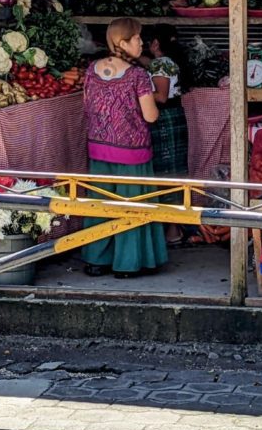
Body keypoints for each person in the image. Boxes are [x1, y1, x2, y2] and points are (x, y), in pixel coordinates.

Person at [81, 18, 168, 279]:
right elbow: (151, 116)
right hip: (132, 154)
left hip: (98, 150)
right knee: (132, 207)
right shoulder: (138, 75)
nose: (141, 42)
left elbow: (87, 105)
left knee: (100, 205)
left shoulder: (92, 70)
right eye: (137, 38)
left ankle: (96, 260)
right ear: (122, 42)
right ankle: (128, 264)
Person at [142, 24, 190, 178]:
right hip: (175, 114)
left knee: (164, 162)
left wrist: (138, 94)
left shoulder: (159, 63)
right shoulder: (168, 61)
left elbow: (161, 96)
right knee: (176, 163)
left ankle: (166, 192)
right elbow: (148, 63)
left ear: (155, 43)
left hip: (163, 117)